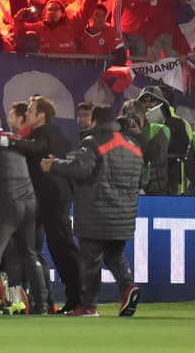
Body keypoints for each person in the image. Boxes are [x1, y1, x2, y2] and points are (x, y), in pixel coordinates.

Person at [42, 104, 143, 318]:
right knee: (115, 256)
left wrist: (54, 165)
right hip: (124, 215)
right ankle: (128, 287)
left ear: (94, 121)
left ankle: (88, 306)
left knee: (90, 262)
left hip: (96, 214)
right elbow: (143, 178)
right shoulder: (133, 145)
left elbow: (81, 169)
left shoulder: (93, 142)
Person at [8, 95, 82, 312]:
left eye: (30, 111)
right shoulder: (55, 134)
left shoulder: (45, 133)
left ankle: (80, 296)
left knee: (62, 247)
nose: (27, 114)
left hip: (52, 197)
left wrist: (7, 140)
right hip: (52, 197)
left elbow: (36, 147)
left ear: (41, 115)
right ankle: (69, 297)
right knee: (53, 247)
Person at [0, 112, 47, 315]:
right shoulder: (16, 142)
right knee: (29, 254)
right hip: (29, 203)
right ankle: (42, 304)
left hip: (6, 205)